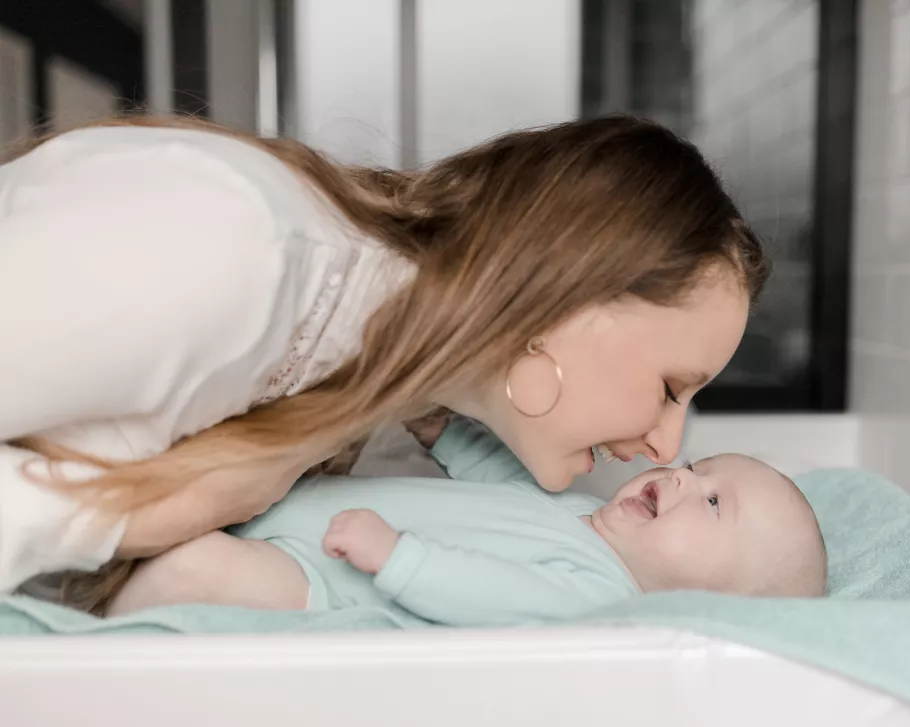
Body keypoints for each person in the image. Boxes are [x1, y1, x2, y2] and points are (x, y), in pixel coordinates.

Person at [0, 113, 768, 609]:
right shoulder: (234, 248)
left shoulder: (377, 399)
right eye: (671, 387)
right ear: (570, 294)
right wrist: (135, 518)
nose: (668, 448)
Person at [106, 416, 826, 621]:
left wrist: (399, 558)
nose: (679, 474)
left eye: (710, 500)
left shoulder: (596, 593)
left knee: (193, 567)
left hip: (323, 579)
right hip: (305, 516)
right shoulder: (584, 516)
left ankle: (87, 643)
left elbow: (493, 591)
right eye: (701, 470)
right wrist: (443, 433)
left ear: (707, 598)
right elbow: (502, 489)